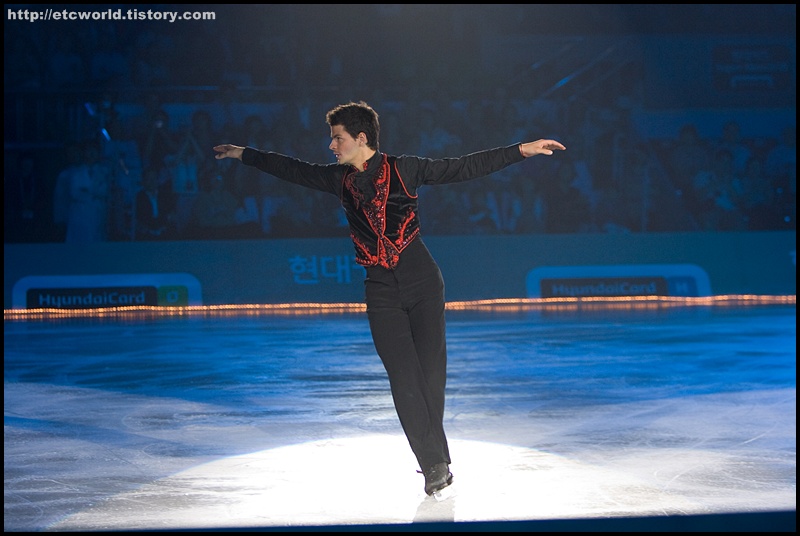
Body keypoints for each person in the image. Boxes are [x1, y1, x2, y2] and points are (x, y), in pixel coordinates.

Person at [213, 101, 566, 496]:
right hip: (380, 290)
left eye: (337, 138)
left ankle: (438, 458)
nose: (331, 145)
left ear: (361, 138)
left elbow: (462, 166)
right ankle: (434, 465)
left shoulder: (405, 168)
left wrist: (520, 150)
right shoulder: (338, 179)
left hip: (423, 283)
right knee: (403, 377)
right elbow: (293, 169)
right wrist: (245, 155)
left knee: (431, 377)